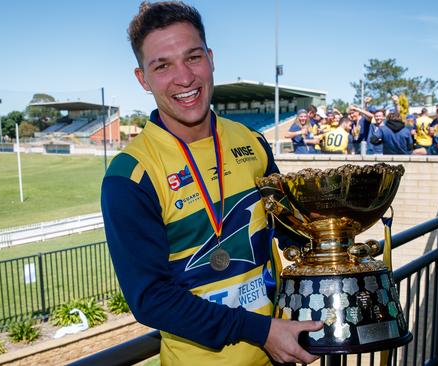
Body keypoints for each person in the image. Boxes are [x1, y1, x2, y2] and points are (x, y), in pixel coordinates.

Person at [100, 3, 322, 365]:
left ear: (211, 58)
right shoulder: (130, 176)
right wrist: (260, 331)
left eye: (193, 57)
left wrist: (334, 247)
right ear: (143, 78)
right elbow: (151, 299)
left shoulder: (251, 140)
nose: (184, 77)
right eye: (163, 65)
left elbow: (289, 225)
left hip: (279, 356)